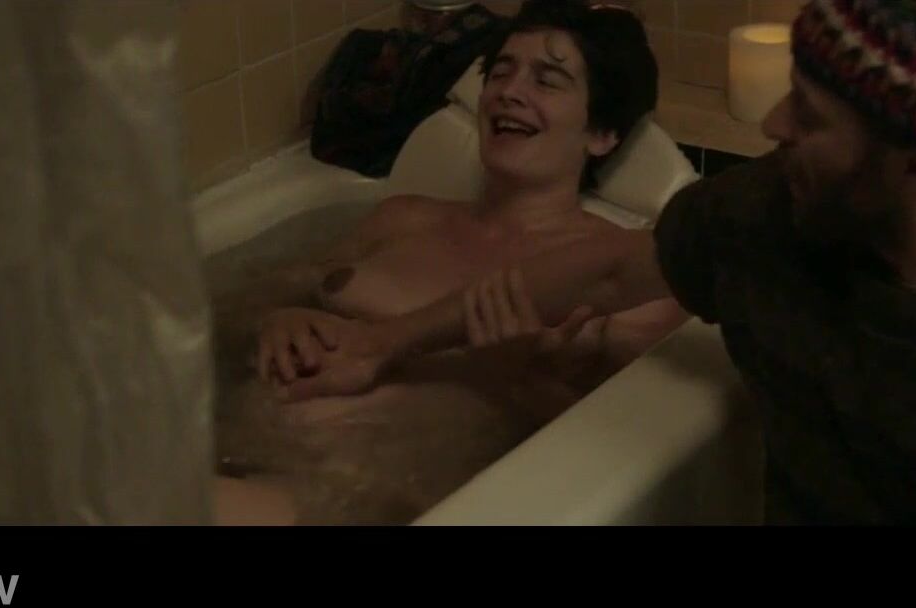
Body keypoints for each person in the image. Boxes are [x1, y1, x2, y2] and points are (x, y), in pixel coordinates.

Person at [290, 0, 916, 525]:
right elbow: (601, 274)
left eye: (810, 115)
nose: (773, 127)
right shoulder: (771, 214)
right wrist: (384, 343)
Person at [209, 0, 686, 525]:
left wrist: (517, 385)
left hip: (353, 498)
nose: (509, 91)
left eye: (547, 81)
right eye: (500, 72)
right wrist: (276, 318)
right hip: (227, 448)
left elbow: (636, 461)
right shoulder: (401, 219)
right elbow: (236, 306)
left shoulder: (623, 283)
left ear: (602, 133)